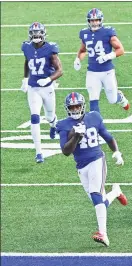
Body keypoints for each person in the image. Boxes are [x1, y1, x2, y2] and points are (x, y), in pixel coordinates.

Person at [56, 92, 128, 247]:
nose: (75, 109)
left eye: (77, 106)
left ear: (83, 106)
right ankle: (116, 191)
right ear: (67, 108)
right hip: (81, 166)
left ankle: (103, 234)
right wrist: (75, 136)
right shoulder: (63, 125)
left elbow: (108, 137)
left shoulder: (94, 117)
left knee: (96, 195)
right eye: (72, 107)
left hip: (97, 160)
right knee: (99, 202)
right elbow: (65, 151)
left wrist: (116, 152)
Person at [21, 22, 63, 163]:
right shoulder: (26, 47)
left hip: (47, 88)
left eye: (39, 33)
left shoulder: (50, 49)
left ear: (44, 34)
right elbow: (27, 61)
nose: (36, 35)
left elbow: (60, 70)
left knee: (50, 116)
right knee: (34, 116)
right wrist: (25, 79)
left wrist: (48, 79)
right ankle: (39, 152)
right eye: (34, 33)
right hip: (33, 88)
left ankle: (52, 125)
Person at [73, 8, 129, 113]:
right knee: (93, 100)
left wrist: (107, 56)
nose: (94, 23)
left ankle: (119, 97)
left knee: (112, 100)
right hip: (92, 72)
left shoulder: (107, 32)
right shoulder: (84, 33)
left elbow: (121, 50)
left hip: (107, 71)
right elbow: (82, 50)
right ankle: (96, 126)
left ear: (101, 20)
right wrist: (78, 59)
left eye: (97, 20)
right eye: (92, 20)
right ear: (88, 21)